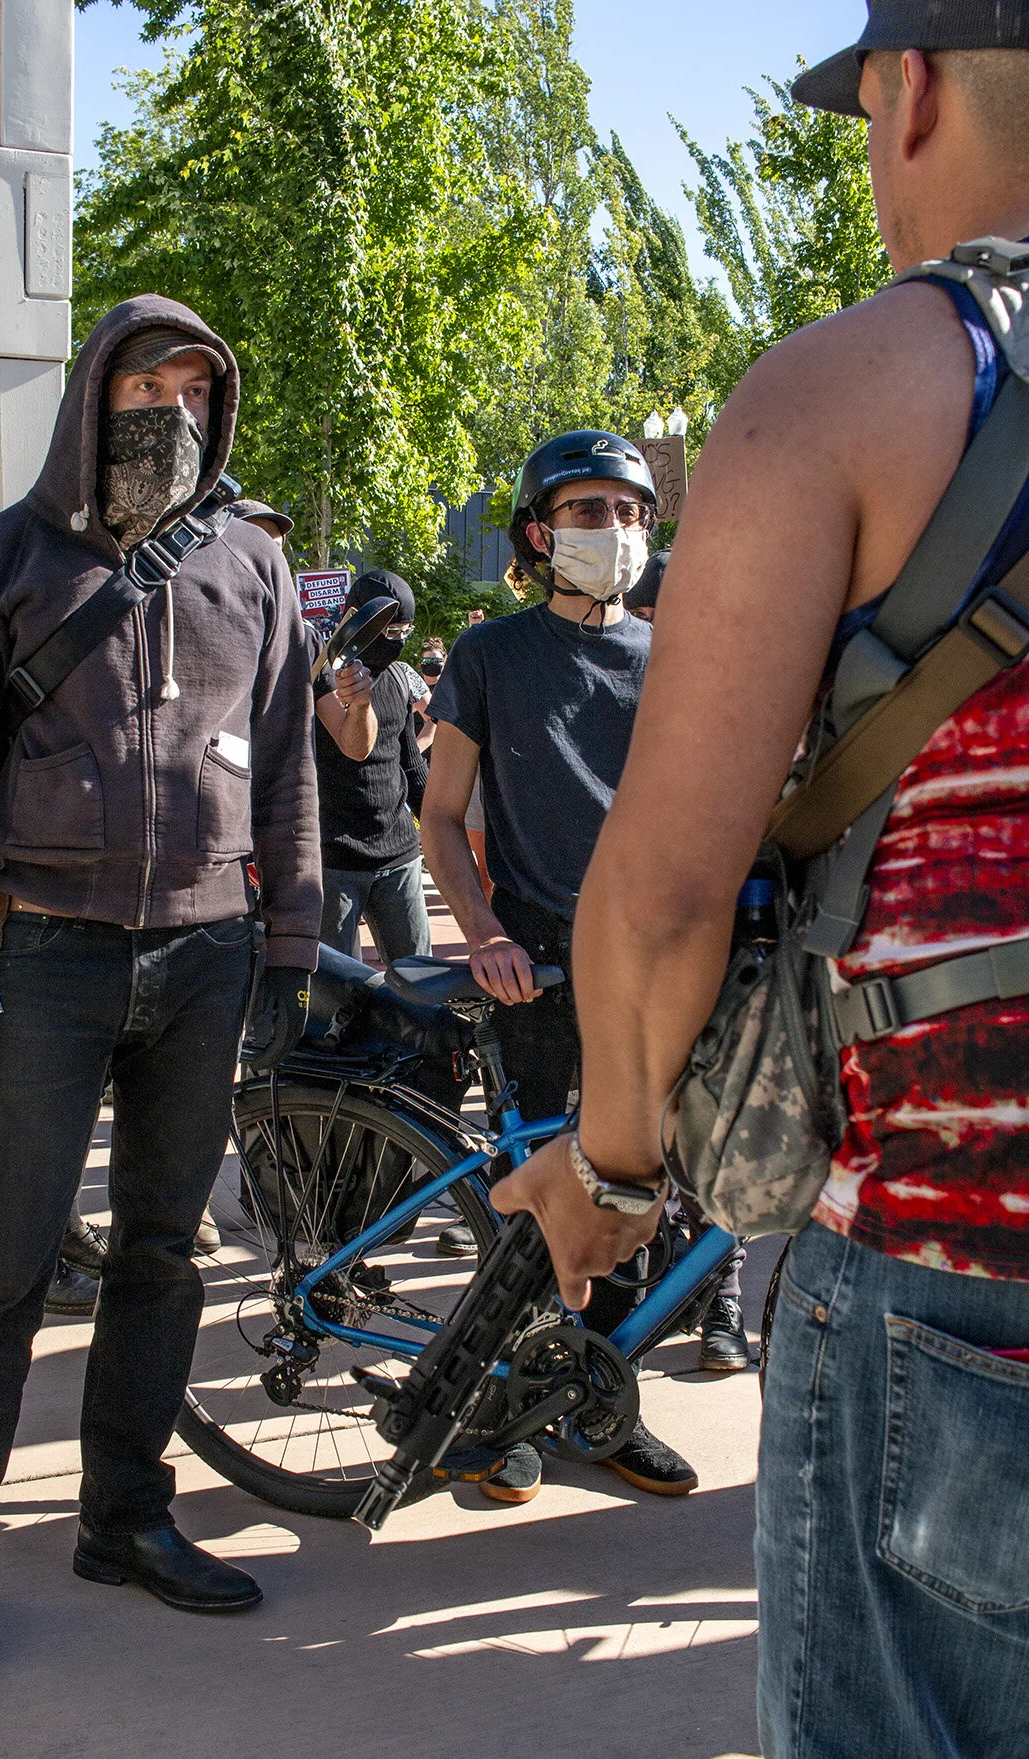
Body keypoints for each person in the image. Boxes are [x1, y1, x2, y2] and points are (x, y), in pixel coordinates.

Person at [491, 15, 1029, 1755]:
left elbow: (661, 892)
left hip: (956, 1269)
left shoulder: (861, 387)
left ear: (916, 87)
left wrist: (616, 1164)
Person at [0, 298, 322, 1692]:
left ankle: (124, 1515)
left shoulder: (252, 564)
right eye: (151, 381)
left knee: (166, 1253)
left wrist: (294, 945)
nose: (175, 409)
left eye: (200, 388)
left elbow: (288, 765)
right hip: (52, 953)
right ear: (94, 395)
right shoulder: (12, 558)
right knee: (2, 1266)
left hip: (207, 957)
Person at [421, 429, 717, 1505]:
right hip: (535, 965)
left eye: (634, 512)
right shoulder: (491, 655)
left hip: (656, 966)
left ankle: (606, 1401)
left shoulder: (673, 656)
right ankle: (507, 1409)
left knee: (641, 1196)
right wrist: (483, 931)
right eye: (591, 512)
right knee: (540, 1204)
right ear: (541, 534)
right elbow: (442, 818)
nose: (617, 531)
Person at [313, 569, 434, 964]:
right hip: (334, 860)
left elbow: (411, 766)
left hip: (398, 856)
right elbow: (354, 747)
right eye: (388, 631)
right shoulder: (321, 674)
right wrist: (358, 703)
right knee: (335, 993)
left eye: (404, 633)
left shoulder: (398, 678)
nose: (395, 643)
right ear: (354, 620)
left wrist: (439, 829)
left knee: (419, 989)